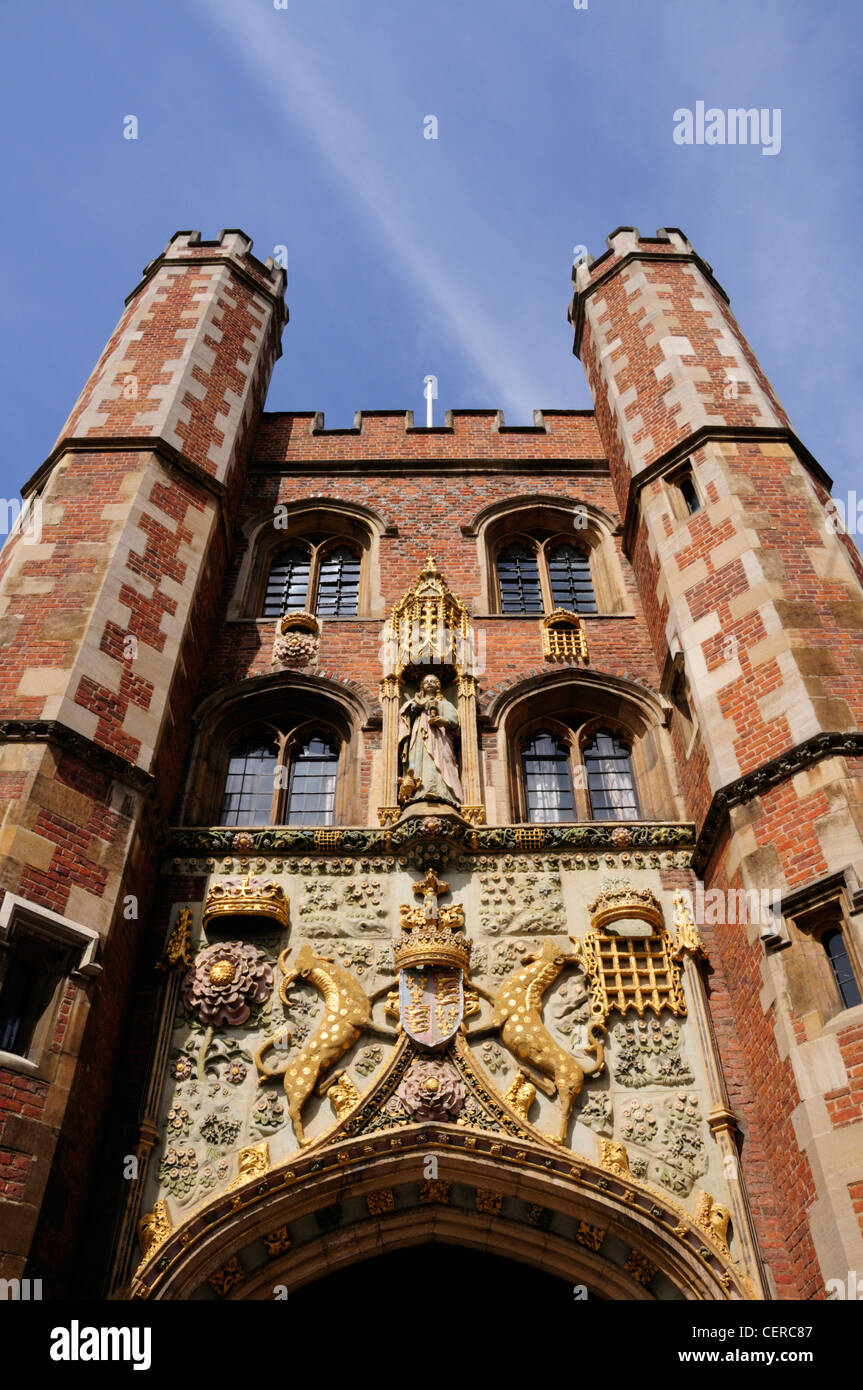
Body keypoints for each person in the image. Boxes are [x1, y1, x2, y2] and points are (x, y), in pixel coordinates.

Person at [398, 674, 463, 807]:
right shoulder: (416, 702)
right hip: (419, 735)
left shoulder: (445, 704)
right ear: (422, 686)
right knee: (419, 760)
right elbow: (406, 715)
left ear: (438, 686)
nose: (429, 683)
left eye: (432, 681)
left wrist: (444, 721)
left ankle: (443, 793)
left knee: (442, 760)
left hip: (440, 737)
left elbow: (454, 721)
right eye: (426, 681)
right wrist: (418, 706)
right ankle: (419, 793)